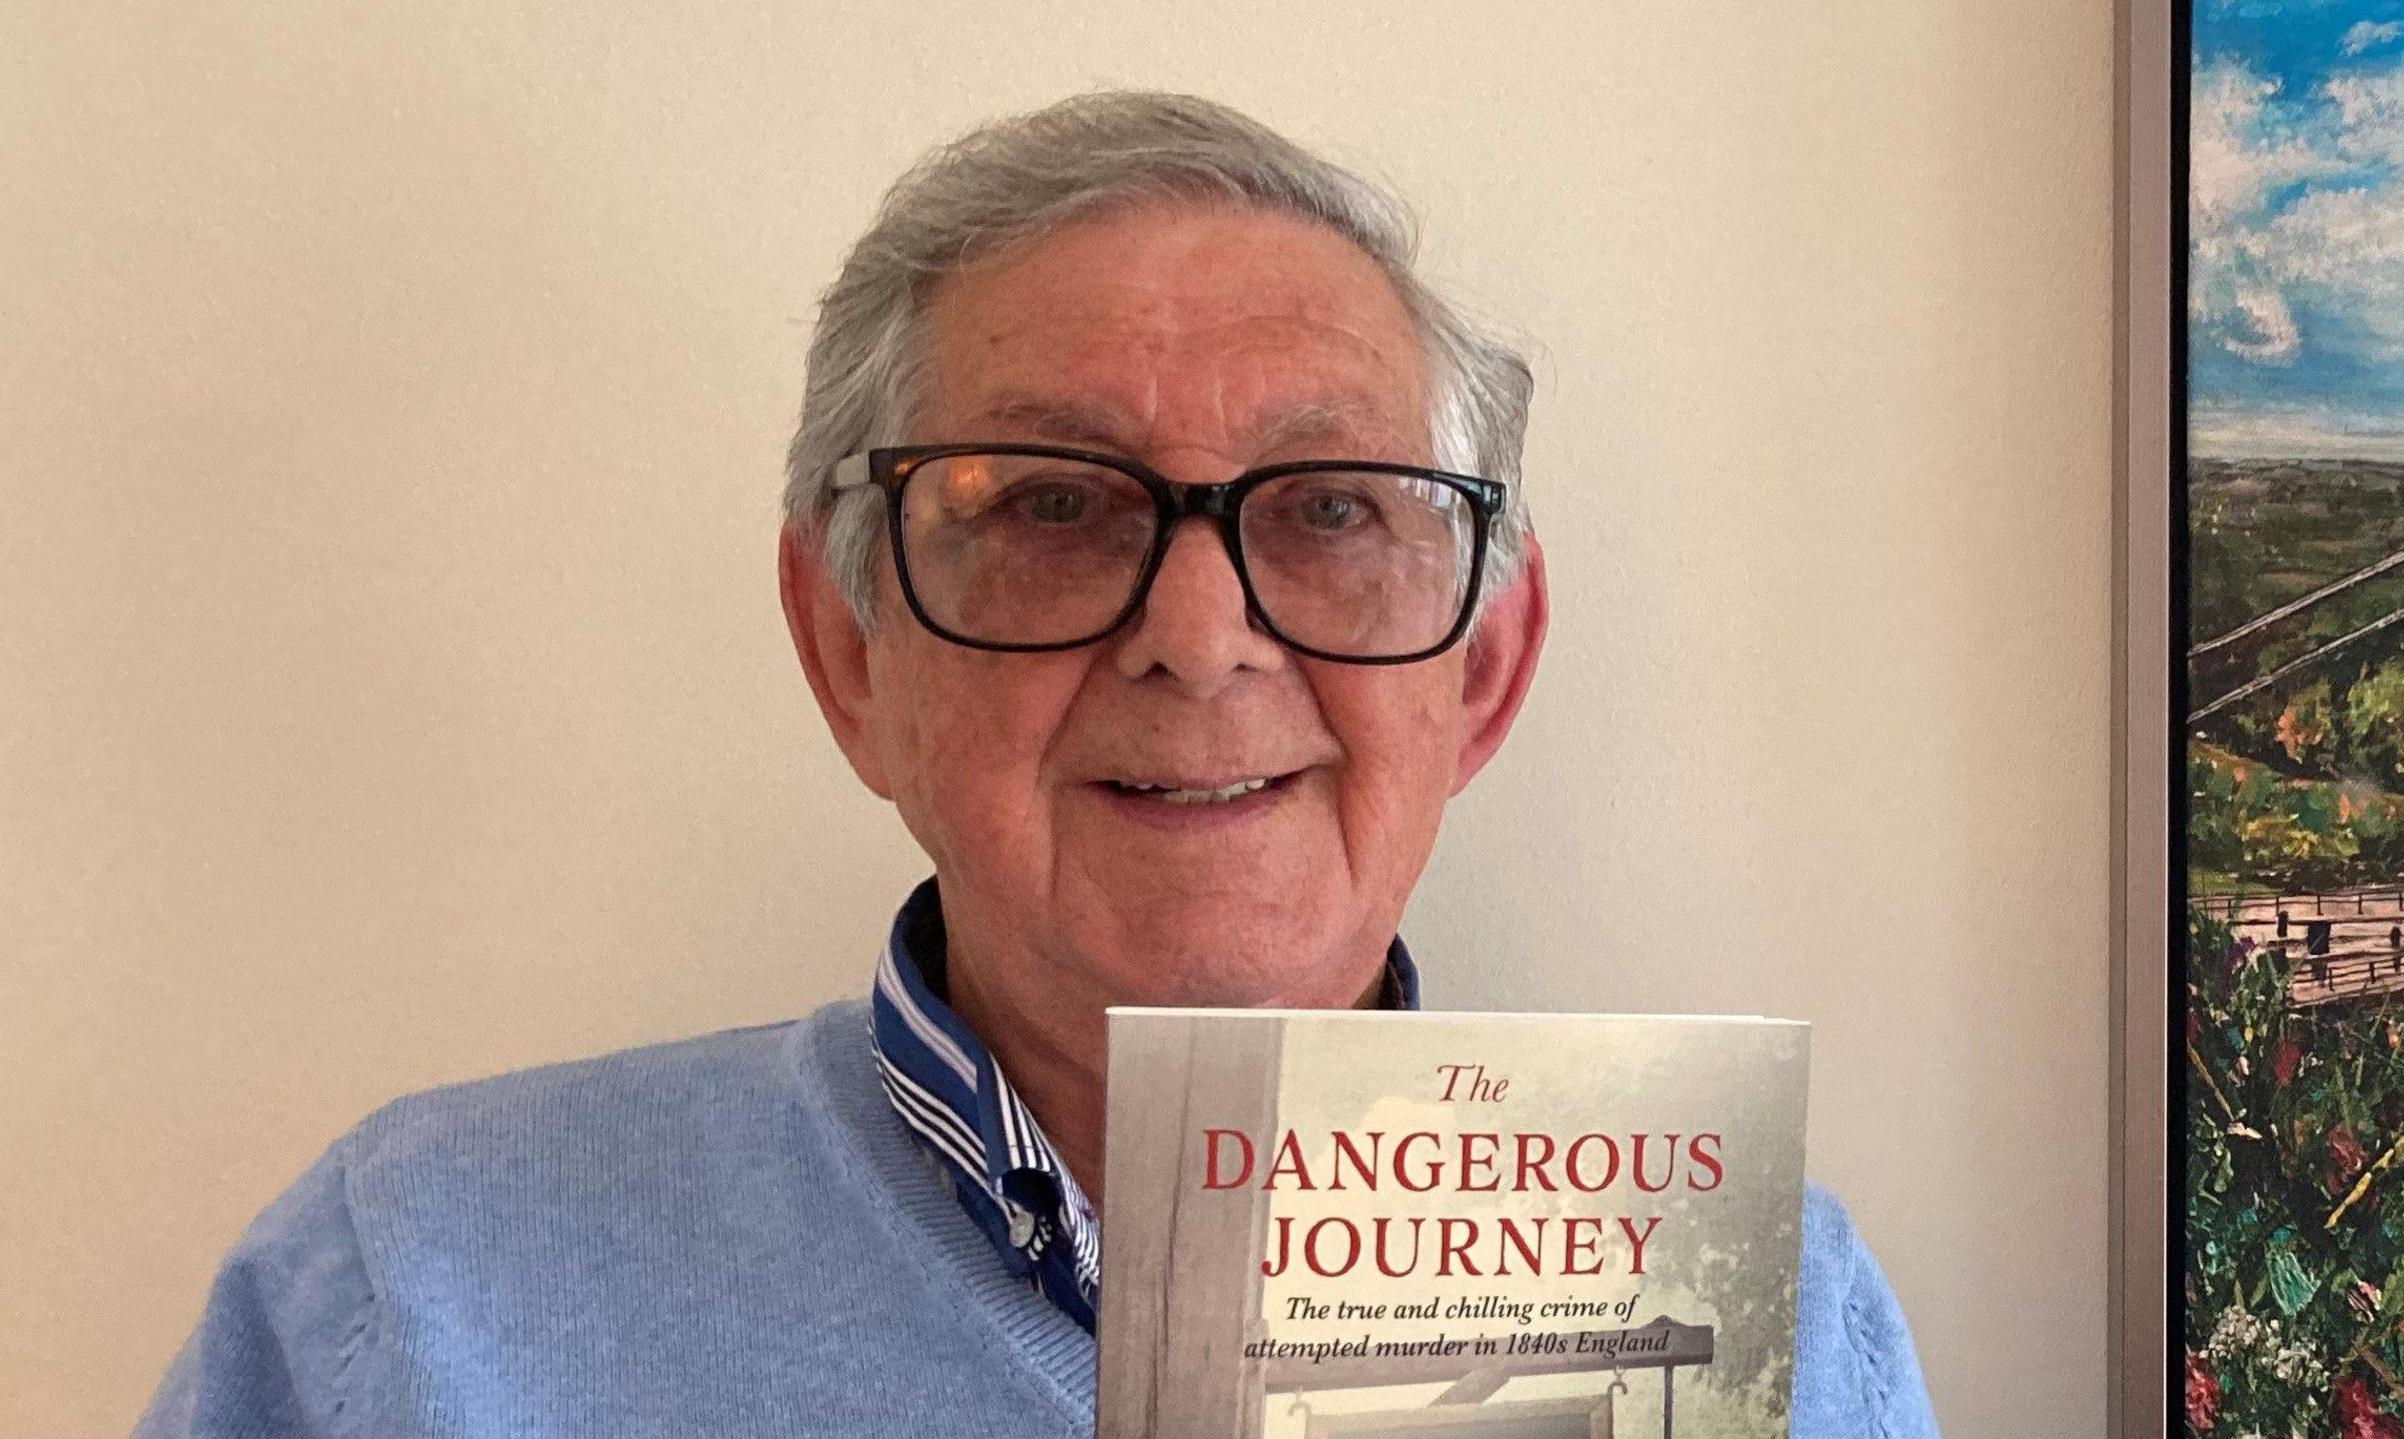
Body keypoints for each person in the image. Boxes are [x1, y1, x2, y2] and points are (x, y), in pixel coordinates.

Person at [137, 91, 1938, 1437]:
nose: (1202, 633)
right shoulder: (418, 1293)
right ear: (851, 649)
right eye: (1056, 508)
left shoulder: (1763, 1310)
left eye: (1329, 512)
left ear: (1487, 665)